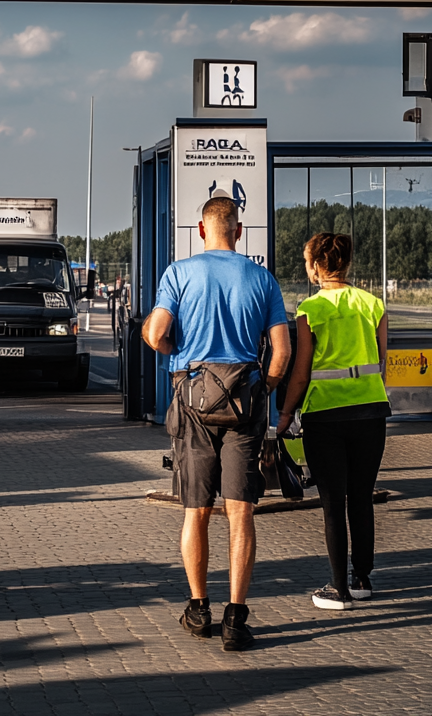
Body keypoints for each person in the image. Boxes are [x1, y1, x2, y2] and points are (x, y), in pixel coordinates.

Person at [143, 196, 291, 651]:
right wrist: (261, 388)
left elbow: (154, 333)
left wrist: (178, 361)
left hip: (193, 404)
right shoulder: (262, 278)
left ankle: (198, 607)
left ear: (202, 231)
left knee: (196, 511)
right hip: (244, 405)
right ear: (239, 232)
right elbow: (282, 351)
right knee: (241, 513)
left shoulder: (180, 273)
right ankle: (235, 619)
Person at [276, 232, 390, 611]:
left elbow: (301, 371)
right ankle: (362, 579)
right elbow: (382, 363)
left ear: (315, 267)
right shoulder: (373, 304)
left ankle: (338, 589)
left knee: (331, 502)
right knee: (361, 497)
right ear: (346, 263)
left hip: (325, 415)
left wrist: (286, 412)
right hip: (371, 411)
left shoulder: (311, 309)